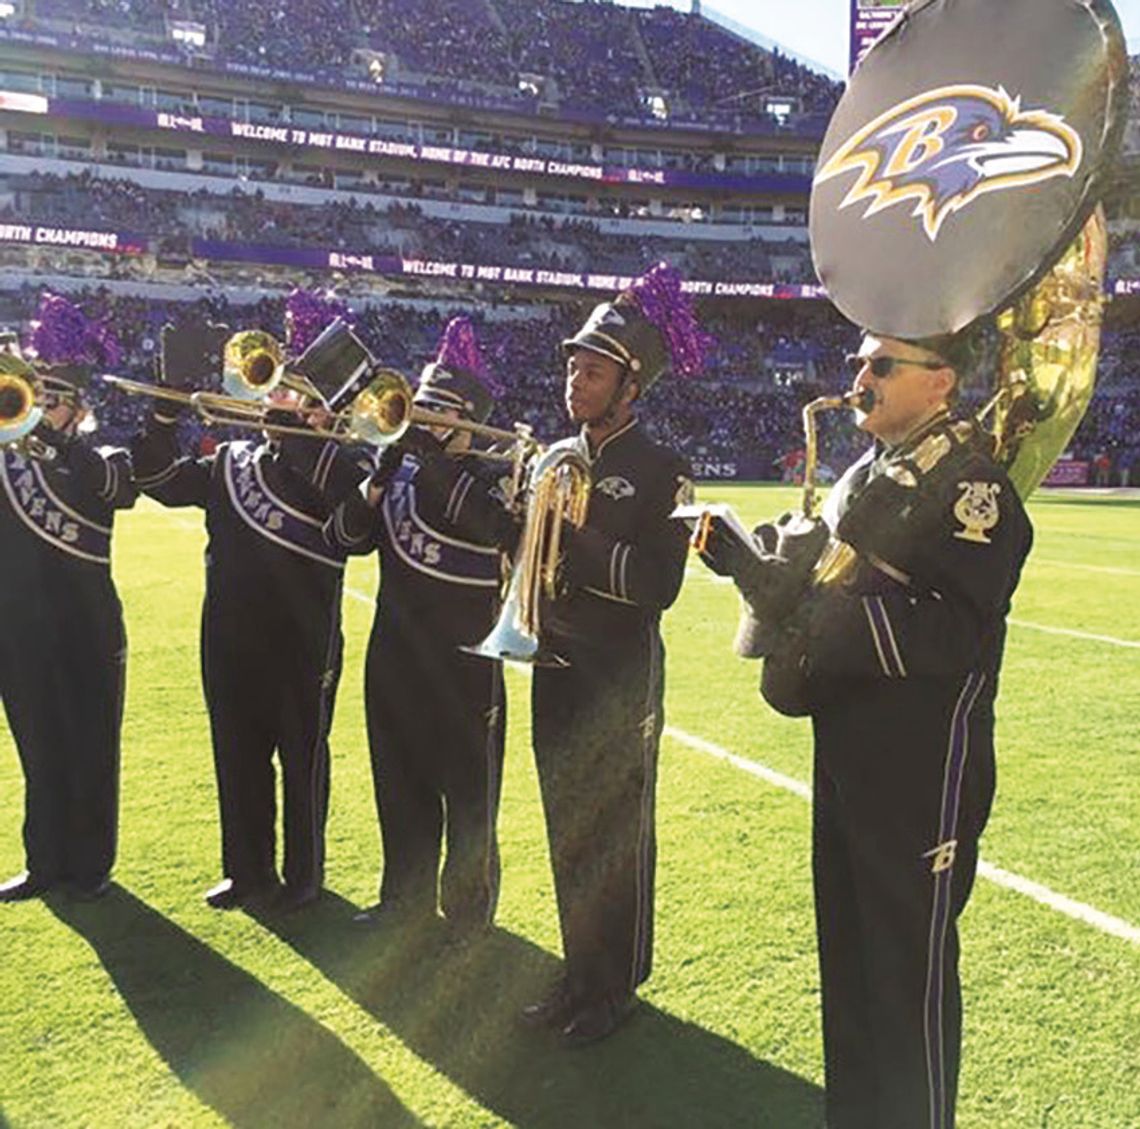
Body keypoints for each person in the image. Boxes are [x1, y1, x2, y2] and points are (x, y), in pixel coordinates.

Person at [705, 330, 1032, 1129]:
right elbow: (813, 595)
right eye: (858, 361)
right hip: (848, 751)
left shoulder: (972, 487)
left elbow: (955, 630)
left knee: (905, 978)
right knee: (849, 966)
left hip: (919, 767)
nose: (860, 376)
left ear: (941, 381)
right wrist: (745, 564)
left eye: (881, 364)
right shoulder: (867, 475)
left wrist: (825, 617)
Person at [130, 302, 370, 913]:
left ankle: (305, 876)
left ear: (322, 410)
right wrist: (165, 407)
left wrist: (306, 435)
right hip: (230, 640)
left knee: (301, 758)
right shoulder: (232, 462)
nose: (273, 399)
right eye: (276, 386)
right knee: (237, 757)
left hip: (303, 642)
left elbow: (358, 528)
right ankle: (246, 871)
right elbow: (156, 480)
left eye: (291, 393)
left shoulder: (341, 465)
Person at [520, 264, 703, 1047]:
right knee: (568, 827)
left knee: (617, 831)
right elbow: (524, 563)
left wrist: (574, 534)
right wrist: (519, 521)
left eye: (593, 371)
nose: (575, 381)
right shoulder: (554, 453)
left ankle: (615, 982)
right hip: (555, 665)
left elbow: (658, 582)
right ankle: (578, 969)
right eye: (571, 367)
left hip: (621, 677)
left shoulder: (662, 468)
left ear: (631, 386)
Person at [325, 317, 519, 936]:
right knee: (400, 787)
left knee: (468, 798)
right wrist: (378, 476)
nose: (421, 417)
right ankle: (401, 902)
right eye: (421, 403)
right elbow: (348, 538)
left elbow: (498, 533)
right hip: (396, 658)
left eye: (438, 408)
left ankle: (468, 915)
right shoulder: (396, 472)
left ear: (467, 418)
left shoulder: (496, 475)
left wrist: (430, 463)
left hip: (467, 664)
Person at [0, 295, 136, 902]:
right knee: (38, 745)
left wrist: (53, 443)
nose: (39, 409)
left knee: (89, 746)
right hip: (20, 627)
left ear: (77, 407)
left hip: (86, 626)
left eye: (52, 400)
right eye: (37, 396)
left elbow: (114, 490)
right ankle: (44, 862)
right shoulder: (6, 460)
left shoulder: (101, 455)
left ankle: (90, 867)